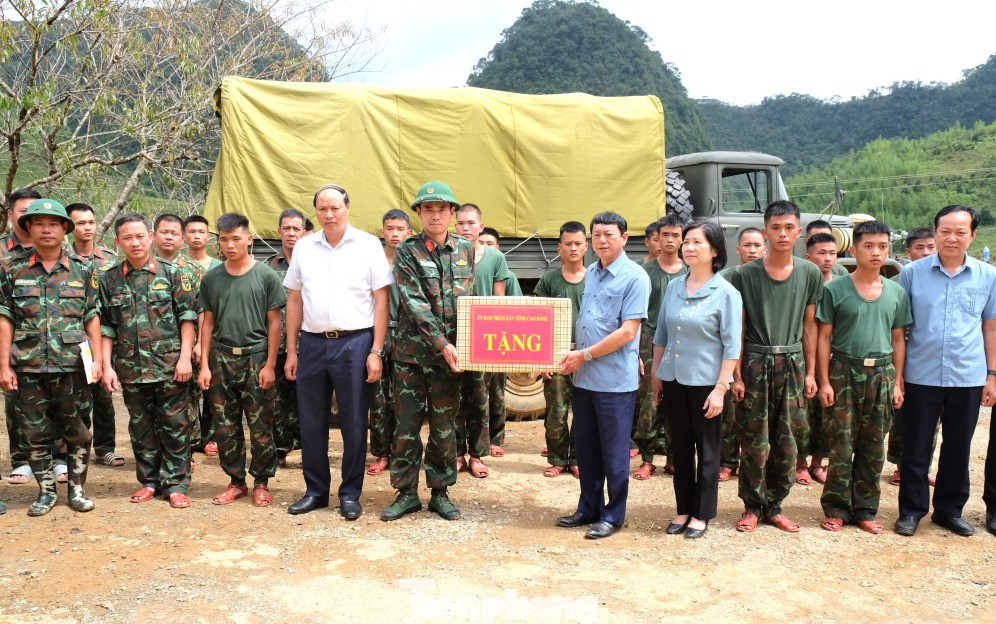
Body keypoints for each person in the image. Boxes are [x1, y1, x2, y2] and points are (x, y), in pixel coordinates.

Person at [284, 184, 391, 519]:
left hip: (355, 343)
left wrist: (376, 350)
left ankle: (350, 494)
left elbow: (382, 301)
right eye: (322, 209)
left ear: (347, 208)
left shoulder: (368, 245)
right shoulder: (305, 247)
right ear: (315, 212)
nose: (329, 214)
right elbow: (295, 299)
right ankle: (315, 491)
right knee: (311, 421)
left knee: (354, 422)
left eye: (335, 208)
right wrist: (291, 350)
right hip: (312, 343)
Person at [895, 205, 996, 537]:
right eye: (945, 231)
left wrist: (992, 375)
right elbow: (899, 329)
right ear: (935, 232)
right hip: (920, 374)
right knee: (916, 446)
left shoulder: (988, 275)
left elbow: (990, 328)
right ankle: (911, 510)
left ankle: (949, 511)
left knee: (958, 447)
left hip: (967, 375)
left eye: (960, 232)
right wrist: (898, 376)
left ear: (973, 235)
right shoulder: (912, 273)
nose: (952, 238)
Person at [0, 198, 102, 516]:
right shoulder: (12, 269)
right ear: (28, 228)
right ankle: (46, 491)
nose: (47, 229)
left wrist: (98, 360)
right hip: (27, 365)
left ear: (64, 229)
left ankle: (77, 489)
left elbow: (92, 316)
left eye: (54, 224)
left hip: (72, 366)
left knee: (78, 430)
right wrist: (4, 365)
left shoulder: (84, 269)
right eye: (39, 224)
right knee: (34, 434)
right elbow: (5, 317)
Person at [381, 181, 473, 522]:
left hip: (450, 359)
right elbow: (414, 302)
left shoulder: (466, 249)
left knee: (444, 427)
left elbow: (470, 303)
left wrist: (471, 345)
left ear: (452, 213)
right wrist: (442, 343)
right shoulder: (407, 251)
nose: (436, 215)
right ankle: (406, 493)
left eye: (442, 209)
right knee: (405, 427)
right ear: (419, 213)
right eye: (428, 209)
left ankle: (440, 492)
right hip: (411, 356)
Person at [556, 211, 650, 540]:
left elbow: (627, 332)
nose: (601, 240)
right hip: (584, 379)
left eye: (609, 234)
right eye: (596, 234)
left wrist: (583, 355)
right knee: (587, 449)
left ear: (624, 238)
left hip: (614, 382)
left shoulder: (635, 277)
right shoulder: (593, 273)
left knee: (614, 454)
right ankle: (589, 508)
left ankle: (613, 515)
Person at [730, 200, 822, 533]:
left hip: (793, 363)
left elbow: (809, 326)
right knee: (754, 440)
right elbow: (738, 329)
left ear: (799, 232)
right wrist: (737, 375)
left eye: (789, 228)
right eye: (776, 227)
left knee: (788, 440)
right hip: (755, 361)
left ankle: (775, 505)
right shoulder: (744, 275)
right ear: (765, 232)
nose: (782, 233)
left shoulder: (810, 272)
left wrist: (811, 373)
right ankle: (752, 506)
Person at [816, 221, 911, 534]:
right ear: (854, 250)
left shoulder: (896, 292)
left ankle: (866, 509)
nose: (876, 252)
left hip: (882, 374)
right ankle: (836, 508)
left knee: (873, 446)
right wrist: (825, 380)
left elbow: (898, 339)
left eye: (882, 246)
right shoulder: (834, 290)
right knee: (841, 443)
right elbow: (824, 337)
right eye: (868, 246)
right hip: (844, 371)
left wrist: (898, 382)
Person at [99, 213, 197, 508]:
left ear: (151, 237)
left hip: (169, 366)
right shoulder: (109, 279)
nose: (135, 242)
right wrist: (106, 366)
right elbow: (107, 328)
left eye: (140, 236)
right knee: (140, 428)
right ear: (117, 242)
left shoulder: (173, 274)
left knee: (176, 426)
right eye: (127, 237)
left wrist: (185, 358)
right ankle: (150, 481)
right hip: (131, 367)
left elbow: (187, 318)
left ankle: (176, 484)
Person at [652, 221, 741, 539]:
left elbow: (732, 346)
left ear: (714, 250)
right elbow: (661, 334)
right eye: (686, 242)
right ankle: (683, 509)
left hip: (707, 384)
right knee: (679, 448)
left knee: (707, 450)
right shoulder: (674, 287)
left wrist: (721, 388)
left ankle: (701, 513)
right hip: (674, 379)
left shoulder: (726, 293)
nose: (688, 247)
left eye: (697, 242)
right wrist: (656, 375)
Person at [198, 213, 286, 507]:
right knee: (225, 427)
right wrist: (205, 365)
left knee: (260, 426)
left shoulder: (266, 276)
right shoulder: (212, 277)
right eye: (224, 239)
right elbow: (207, 322)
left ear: (249, 239)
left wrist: (270, 364)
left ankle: (261, 482)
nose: (230, 245)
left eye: (236, 238)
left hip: (256, 358)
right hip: (221, 358)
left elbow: (275, 323)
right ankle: (236, 481)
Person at [454, 203, 509, 477]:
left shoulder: (495, 258)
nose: (466, 228)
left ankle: (476, 455)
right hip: (453, 337)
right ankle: (456, 454)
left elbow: (500, 301)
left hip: (483, 340)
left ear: (480, 226)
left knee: (479, 398)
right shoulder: (447, 255)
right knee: (453, 399)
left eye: (471, 223)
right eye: (461, 223)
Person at [67, 202, 122, 468]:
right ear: (69, 227)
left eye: (91, 222)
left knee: (103, 396)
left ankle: (105, 448)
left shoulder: (109, 258)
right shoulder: (63, 258)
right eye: (81, 223)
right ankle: (77, 449)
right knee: (74, 398)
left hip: (104, 337)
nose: (87, 228)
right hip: (73, 339)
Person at [154, 214, 213, 457]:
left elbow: (203, 310)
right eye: (164, 232)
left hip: (190, 344)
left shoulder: (195, 270)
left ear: (182, 238)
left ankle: (189, 446)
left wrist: (200, 344)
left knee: (189, 396)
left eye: (174, 233)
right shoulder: (145, 266)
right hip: (156, 348)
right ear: (154, 236)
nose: (168, 237)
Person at [633, 214, 686, 480]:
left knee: (678, 400)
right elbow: (634, 315)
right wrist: (635, 351)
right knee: (649, 401)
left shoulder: (690, 272)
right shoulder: (644, 272)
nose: (670, 240)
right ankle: (647, 458)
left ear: (682, 239)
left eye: (675, 235)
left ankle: (675, 458)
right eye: (665, 235)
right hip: (650, 339)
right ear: (657, 238)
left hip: (682, 341)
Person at [534, 221, 587, 478]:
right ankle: (557, 458)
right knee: (556, 411)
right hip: (555, 355)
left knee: (583, 412)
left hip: (587, 356)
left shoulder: (596, 279)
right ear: (559, 248)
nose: (573, 248)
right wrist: (542, 359)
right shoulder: (549, 280)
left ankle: (577, 458)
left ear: (586, 246)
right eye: (568, 244)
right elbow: (536, 322)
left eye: (578, 243)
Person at [887, 227, 938, 487]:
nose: (926, 252)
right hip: (904, 352)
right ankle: (900, 464)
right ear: (908, 252)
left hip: (931, 358)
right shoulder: (899, 281)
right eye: (920, 248)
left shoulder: (942, 279)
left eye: (930, 247)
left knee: (931, 419)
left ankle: (923, 467)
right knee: (902, 413)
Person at [2, 188, 44, 486]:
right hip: (10, 339)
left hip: (49, 342)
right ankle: (21, 459)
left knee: (53, 403)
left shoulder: (54, 248)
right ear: (10, 214)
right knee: (15, 402)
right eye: (23, 211)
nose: (29, 217)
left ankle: (54, 457)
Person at [717, 227, 766, 481]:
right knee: (730, 410)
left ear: (765, 249)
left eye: (757, 245)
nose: (752, 250)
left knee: (757, 412)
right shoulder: (726, 278)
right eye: (747, 245)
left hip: (759, 353)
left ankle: (754, 461)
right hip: (729, 351)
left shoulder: (769, 278)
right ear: (738, 250)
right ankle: (726, 460)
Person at [367, 209, 411, 477]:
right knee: (378, 398)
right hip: (378, 335)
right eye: (390, 228)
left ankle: (403, 453)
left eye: (400, 229)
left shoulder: (414, 262)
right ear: (381, 231)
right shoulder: (373, 262)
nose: (395, 234)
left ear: (409, 233)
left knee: (405, 399)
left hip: (408, 336)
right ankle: (382, 453)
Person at [795, 232, 839, 486]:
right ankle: (800, 462)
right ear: (809, 256)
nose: (827, 258)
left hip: (834, 359)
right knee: (803, 411)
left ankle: (818, 463)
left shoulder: (841, 285)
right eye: (821, 253)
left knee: (828, 413)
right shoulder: (802, 283)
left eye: (832, 253)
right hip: (804, 357)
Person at [269, 208, 311, 467]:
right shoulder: (268, 267)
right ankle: (280, 449)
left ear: (305, 232)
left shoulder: (315, 263)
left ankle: (310, 449)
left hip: (309, 342)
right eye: (287, 228)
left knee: (310, 400)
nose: (291, 233)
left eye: (297, 228)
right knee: (277, 401)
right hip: (278, 344)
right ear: (279, 232)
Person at [478, 225, 520, 455]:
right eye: (481, 243)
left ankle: (496, 438)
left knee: (496, 392)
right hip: (473, 340)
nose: (485, 247)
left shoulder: (508, 277)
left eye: (490, 244)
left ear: (498, 248)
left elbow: (516, 309)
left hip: (498, 341)